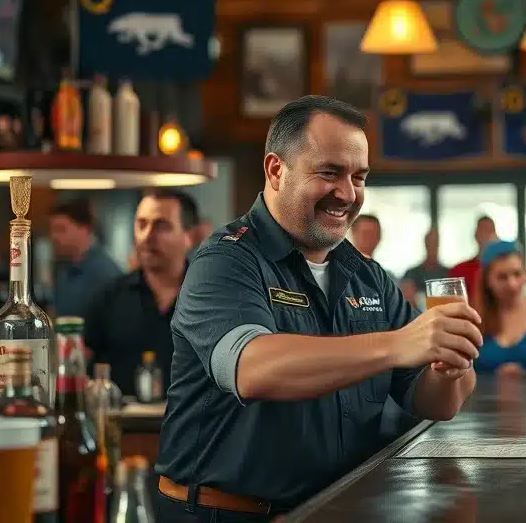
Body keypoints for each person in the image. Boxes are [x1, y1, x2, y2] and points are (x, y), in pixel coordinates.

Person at [155, 96, 481, 522]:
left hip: (336, 509)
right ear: (276, 171)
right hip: (226, 514)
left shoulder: (367, 276)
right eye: (329, 173)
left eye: (359, 177)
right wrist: (400, 344)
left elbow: (436, 405)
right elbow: (253, 368)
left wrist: (449, 364)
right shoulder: (224, 261)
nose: (347, 193)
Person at [82, 189, 197, 398]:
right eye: (141, 224)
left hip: (195, 426)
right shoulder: (108, 298)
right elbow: (85, 372)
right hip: (123, 426)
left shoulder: (211, 299)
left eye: (161, 226)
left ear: (188, 236)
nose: (147, 236)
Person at [471, 240, 526, 376]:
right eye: (502, 277)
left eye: (517, 274)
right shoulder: (475, 319)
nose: (512, 284)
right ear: (487, 281)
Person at [48, 197, 122, 317]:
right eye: (52, 230)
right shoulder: (64, 269)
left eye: (61, 229)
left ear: (84, 229)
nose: (53, 236)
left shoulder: (107, 273)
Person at [449, 215, 497, 306]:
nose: (486, 236)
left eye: (490, 231)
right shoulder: (459, 270)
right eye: (483, 230)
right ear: (475, 235)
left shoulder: (505, 272)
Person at [400, 228, 449, 304]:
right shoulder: (411, 273)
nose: (432, 246)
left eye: (435, 242)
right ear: (425, 243)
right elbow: (406, 302)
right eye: (429, 242)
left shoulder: (449, 274)